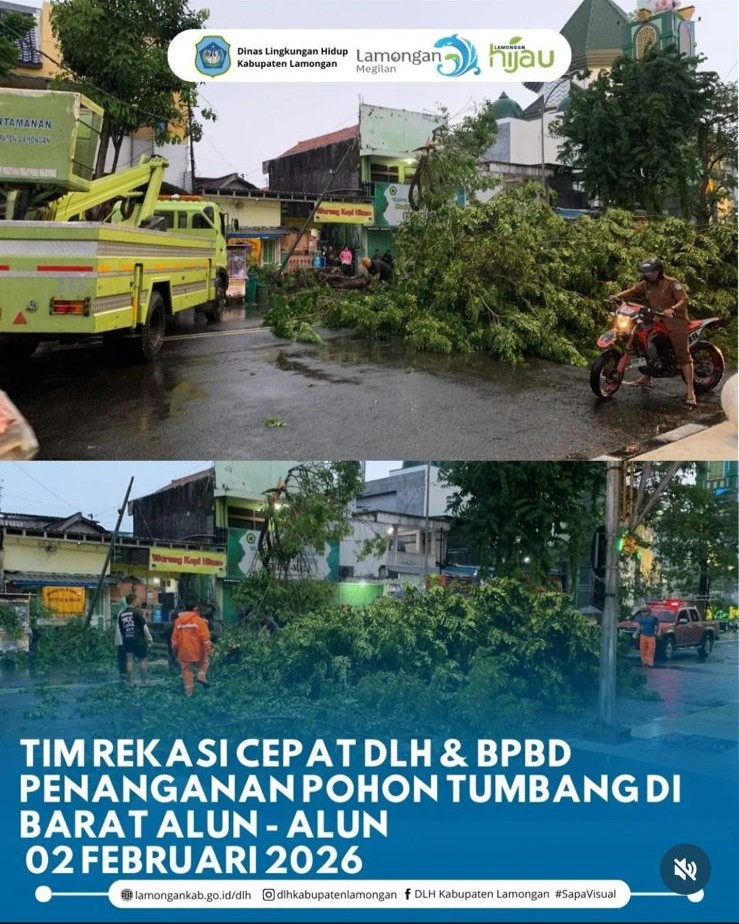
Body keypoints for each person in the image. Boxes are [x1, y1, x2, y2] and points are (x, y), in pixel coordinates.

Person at [611, 258, 696, 408]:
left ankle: (690, 391)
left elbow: (683, 299)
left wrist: (673, 309)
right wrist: (617, 296)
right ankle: (646, 376)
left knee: (682, 354)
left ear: (659, 271)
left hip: (675, 319)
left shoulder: (672, 283)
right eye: (646, 273)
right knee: (646, 343)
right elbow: (632, 291)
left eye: (652, 272)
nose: (649, 275)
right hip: (657, 318)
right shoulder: (645, 285)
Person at [171, 601, 212, 696]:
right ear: (195, 608)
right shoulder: (199, 621)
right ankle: (201, 676)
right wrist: (208, 649)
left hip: (184, 651)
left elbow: (175, 638)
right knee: (204, 662)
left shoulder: (178, 621)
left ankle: (189, 693)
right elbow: (205, 637)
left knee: (186, 671)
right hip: (198, 650)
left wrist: (174, 649)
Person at [117, 592, 151, 687]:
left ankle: (131, 683)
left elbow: (121, 628)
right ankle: (144, 682)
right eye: (137, 600)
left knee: (129, 660)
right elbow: (143, 626)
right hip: (138, 639)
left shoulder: (122, 614)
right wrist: (149, 638)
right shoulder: (138, 612)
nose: (138, 602)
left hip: (127, 639)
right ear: (134, 601)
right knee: (143, 659)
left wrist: (125, 637)